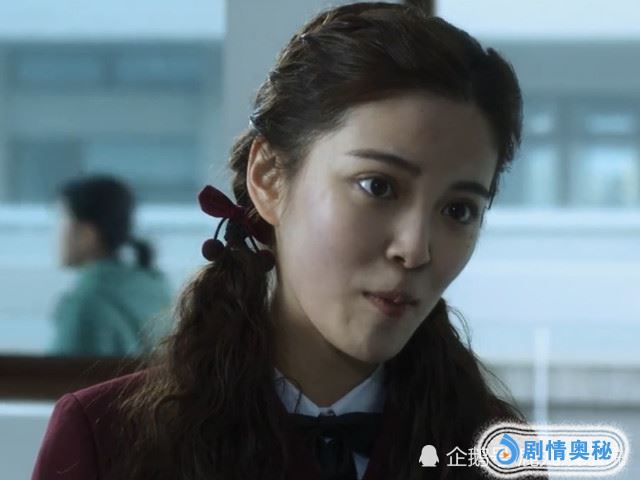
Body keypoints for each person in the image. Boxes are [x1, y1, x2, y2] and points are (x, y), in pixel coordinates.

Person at [32, 3, 542, 479]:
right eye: (378, 186)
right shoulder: (106, 439)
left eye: (458, 210)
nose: (415, 249)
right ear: (270, 179)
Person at [49, 174, 173, 356]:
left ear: (87, 233)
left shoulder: (85, 305)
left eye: (62, 219)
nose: (56, 233)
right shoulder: (157, 289)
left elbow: (60, 373)